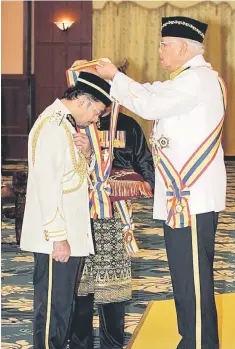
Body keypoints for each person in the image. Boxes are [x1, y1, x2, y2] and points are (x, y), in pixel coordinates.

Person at [95, 16, 227, 349]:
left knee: (192, 280)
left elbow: (149, 102)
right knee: (185, 278)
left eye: (164, 44)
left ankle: (199, 344)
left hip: (191, 198)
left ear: (183, 47)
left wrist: (116, 77)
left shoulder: (196, 81)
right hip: (184, 197)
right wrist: (117, 82)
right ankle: (193, 340)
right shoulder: (189, 79)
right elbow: (152, 93)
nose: (159, 51)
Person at [20, 72, 113, 349]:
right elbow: (47, 185)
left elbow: (70, 178)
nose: (96, 120)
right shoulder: (51, 126)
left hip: (69, 236)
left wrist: (85, 156)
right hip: (56, 239)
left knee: (63, 307)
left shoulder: (65, 126)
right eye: (96, 112)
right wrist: (58, 237)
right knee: (51, 311)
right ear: (83, 101)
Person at [69, 67, 154, 349]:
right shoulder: (73, 123)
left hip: (114, 219)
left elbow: (146, 171)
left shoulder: (128, 126)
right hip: (78, 216)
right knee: (79, 289)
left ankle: (112, 344)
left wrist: (123, 180)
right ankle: (80, 343)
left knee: (113, 291)